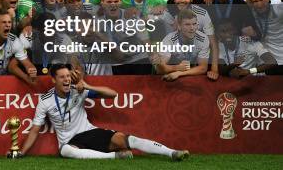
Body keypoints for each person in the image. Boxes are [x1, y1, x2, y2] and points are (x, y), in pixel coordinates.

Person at [18, 64, 189, 160]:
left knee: (126, 139)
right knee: (65, 151)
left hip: (89, 132)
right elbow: (35, 129)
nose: (67, 79)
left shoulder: (78, 89)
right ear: (53, 80)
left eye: (68, 76)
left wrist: (87, 86)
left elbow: (112, 94)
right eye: (62, 77)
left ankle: (172, 152)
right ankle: (115, 157)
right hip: (70, 142)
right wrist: (22, 153)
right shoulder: (46, 100)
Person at [161, 0, 219, 80]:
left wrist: (214, 69)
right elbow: (170, 39)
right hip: (175, 56)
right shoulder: (168, 13)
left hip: (197, 55)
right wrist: (175, 68)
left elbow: (213, 43)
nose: (182, 0)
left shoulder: (202, 14)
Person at [155, 9, 209, 81]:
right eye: (187, 24)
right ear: (179, 26)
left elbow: (203, 68)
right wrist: (177, 68)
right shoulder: (169, 40)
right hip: (171, 74)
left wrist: (179, 73)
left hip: (190, 73)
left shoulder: (203, 38)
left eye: (194, 24)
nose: (192, 28)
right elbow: (160, 69)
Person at [246, 0, 283, 74]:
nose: (260, 5)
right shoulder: (249, 9)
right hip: (268, 62)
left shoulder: (278, 5)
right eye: (256, 1)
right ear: (251, 2)